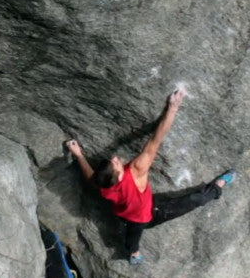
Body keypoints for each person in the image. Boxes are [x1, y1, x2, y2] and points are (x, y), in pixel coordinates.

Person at [65, 88, 235, 266]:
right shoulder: (137, 170)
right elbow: (156, 139)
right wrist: (172, 108)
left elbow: (91, 179)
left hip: (126, 217)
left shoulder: (104, 185)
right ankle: (218, 186)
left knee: (131, 239)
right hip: (150, 215)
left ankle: (133, 253)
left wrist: (79, 155)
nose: (115, 158)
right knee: (195, 200)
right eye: (115, 163)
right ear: (119, 173)